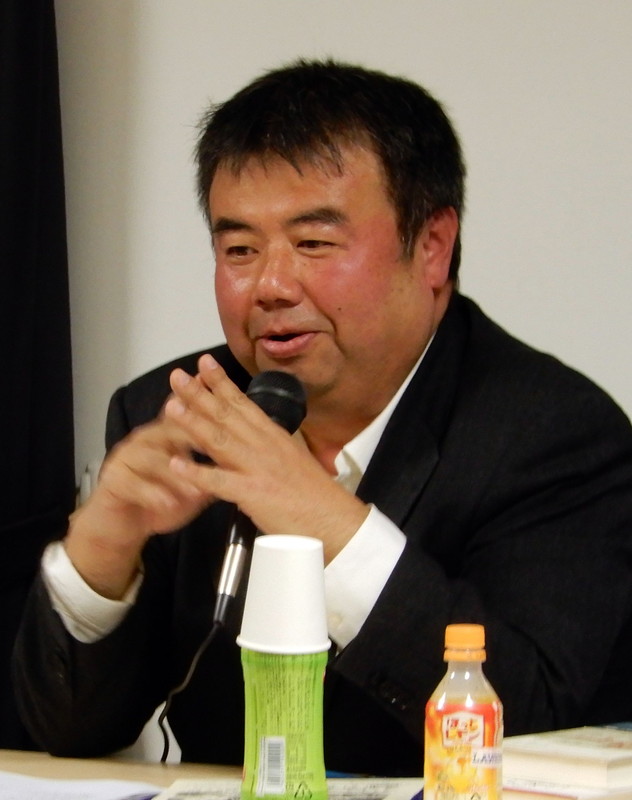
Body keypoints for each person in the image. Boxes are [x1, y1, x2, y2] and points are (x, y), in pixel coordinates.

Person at [13, 59, 632, 776]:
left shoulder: (554, 434)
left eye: (313, 244)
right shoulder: (178, 411)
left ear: (432, 247)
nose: (271, 286)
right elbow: (67, 736)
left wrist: (322, 518)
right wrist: (100, 550)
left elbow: (532, 720)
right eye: (239, 250)